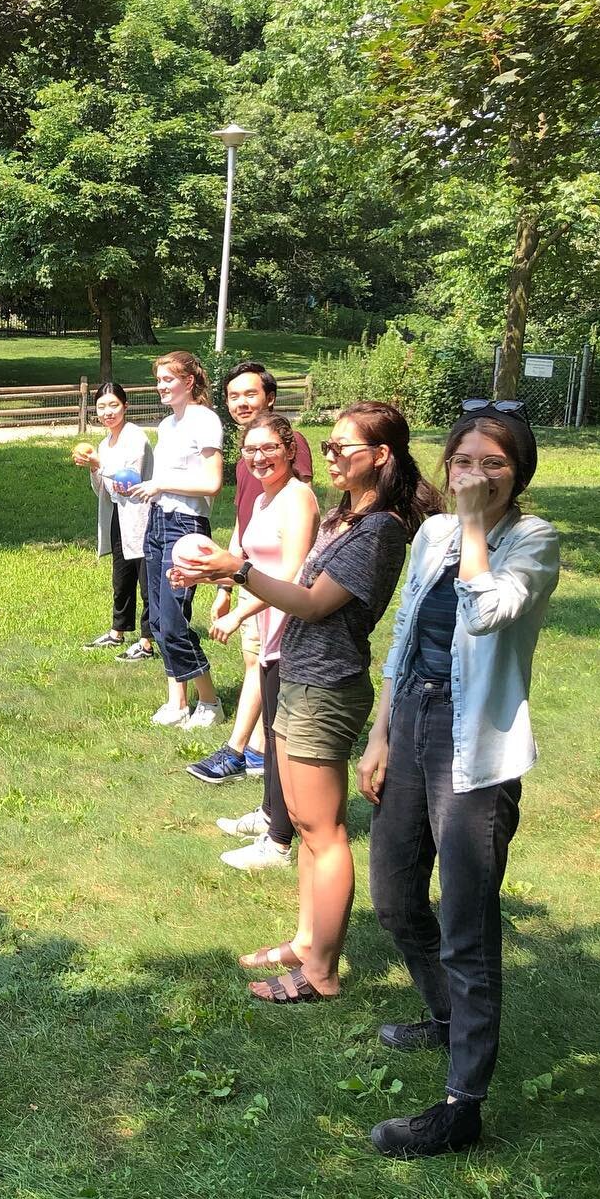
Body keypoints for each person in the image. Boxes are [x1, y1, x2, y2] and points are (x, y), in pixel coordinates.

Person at [173, 401, 438, 1003]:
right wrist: (221, 577)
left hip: (329, 687)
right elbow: (292, 587)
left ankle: (320, 969)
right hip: (298, 676)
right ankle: (305, 939)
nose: (332, 455)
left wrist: (235, 571)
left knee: (325, 832)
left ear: (382, 456)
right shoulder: (348, 517)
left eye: (345, 447)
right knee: (299, 819)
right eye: (331, 446)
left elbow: (315, 603)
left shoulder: (381, 529)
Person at [358, 400, 558, 1159]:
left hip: (476, 745)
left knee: (466, 923)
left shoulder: (532, 541)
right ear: (447, 465)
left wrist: (474, 525)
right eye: (465, 462)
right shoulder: (433, 533)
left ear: (519, 473)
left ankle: (461, 1102)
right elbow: (404, 635)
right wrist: (379, 734)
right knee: (395, 895)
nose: (476, 476)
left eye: (493, 464)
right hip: (411, 718)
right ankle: (445, 1020)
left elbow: (484, 614)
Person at [204, 417, 319, 881]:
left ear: (290, 449)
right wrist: (208, 577)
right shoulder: (265, 497)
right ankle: (273, 813)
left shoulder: (298, 499)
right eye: (250, 450)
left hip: (290, 630)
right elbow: (248, 565)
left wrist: (238, 614)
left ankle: (277, 843)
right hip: (269, 628)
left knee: (282, 736)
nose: (258, 457)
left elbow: (291, 574)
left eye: (269, 448)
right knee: (272, 731)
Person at [190, 361, 314, 782]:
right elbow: (246, 521)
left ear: (270, 398)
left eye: (251, 394)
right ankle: (259, 755)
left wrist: (239, 598)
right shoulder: (252, 464)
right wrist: (222, 581)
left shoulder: (289, 470)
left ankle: (244, 751)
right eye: (233, 395)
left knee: (265, 667)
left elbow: (295, 556)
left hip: (276, 588)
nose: (241, 402)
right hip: (250, 576)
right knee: (255, 664)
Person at [128, 351, 226, 728]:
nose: (161, 386)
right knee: (156, 618)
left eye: (169, 379)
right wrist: (147, 489)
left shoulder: (205, 419)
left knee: (172, 621)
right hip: (158, 520)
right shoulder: (167, 425)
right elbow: (166, 481)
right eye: (159, 380)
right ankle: (177, 702)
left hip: (185, 528)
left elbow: (212, 484)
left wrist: (161, 484)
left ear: (189, 381)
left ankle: (210, 702)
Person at [74, 382, 154, 661]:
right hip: (119, 516)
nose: (107, 412)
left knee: (146, 580)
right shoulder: (104, 442)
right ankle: (118, 631)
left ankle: (147, 641)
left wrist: (99, 464)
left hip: (142, 517)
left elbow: (129, 480)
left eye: (113, 405)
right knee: (121, 579)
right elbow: (102, 489)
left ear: (125, 406)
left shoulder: (136, 438)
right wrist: (94, 468)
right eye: (102, 407)